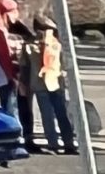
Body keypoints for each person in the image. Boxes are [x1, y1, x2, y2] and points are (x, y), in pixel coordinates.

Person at [26, 14, 78, 155]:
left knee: (62, 114)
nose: (45, 32)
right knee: (47, 115)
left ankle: (69, 143)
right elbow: (25, 66)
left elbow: (65, 63)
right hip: (40, 84)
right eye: (43, 29)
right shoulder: (30, 45)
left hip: (56, 83)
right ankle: (53, 143)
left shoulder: (57, 45)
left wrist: (66, 79)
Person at [0, 0, 36, 155]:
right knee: (11, 108)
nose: (16, 15)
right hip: (6, 76)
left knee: (25, 108)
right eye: (12, 12)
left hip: (23, 75)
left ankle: (28, 138)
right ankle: (14, 140)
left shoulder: (19, 30)